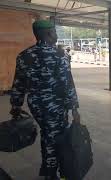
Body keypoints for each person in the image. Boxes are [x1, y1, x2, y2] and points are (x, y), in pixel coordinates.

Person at [10, 20, 80, 180]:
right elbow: (67, 83)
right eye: (54, 32)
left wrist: (16, 105)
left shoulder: (23, 56)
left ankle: (49, 169)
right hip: (56, 106)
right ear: (49, 34)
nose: (56, 35)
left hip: (37, 107)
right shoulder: (60, 55)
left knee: (48, 134)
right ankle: (53, 173)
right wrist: (74, 108)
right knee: (55, 139)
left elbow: (18, 83)